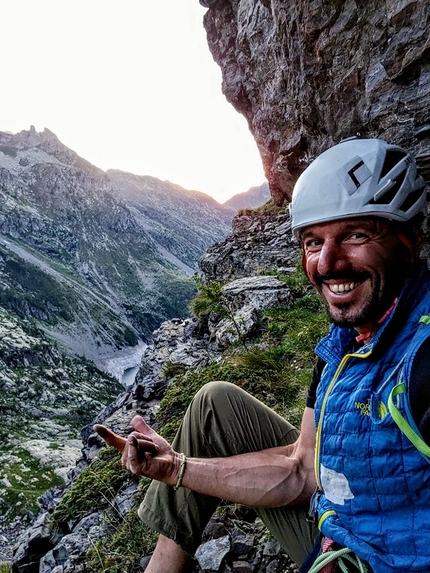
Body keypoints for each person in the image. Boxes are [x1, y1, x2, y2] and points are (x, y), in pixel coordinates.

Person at [95, 137, 430, 573]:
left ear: (407, 241)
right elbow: (302, 472)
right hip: (337, 530)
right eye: (313, 242)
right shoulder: (344, 345)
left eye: (356, 235)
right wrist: (175, 467)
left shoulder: (421, 360)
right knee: (216, 402)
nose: (328, 263)